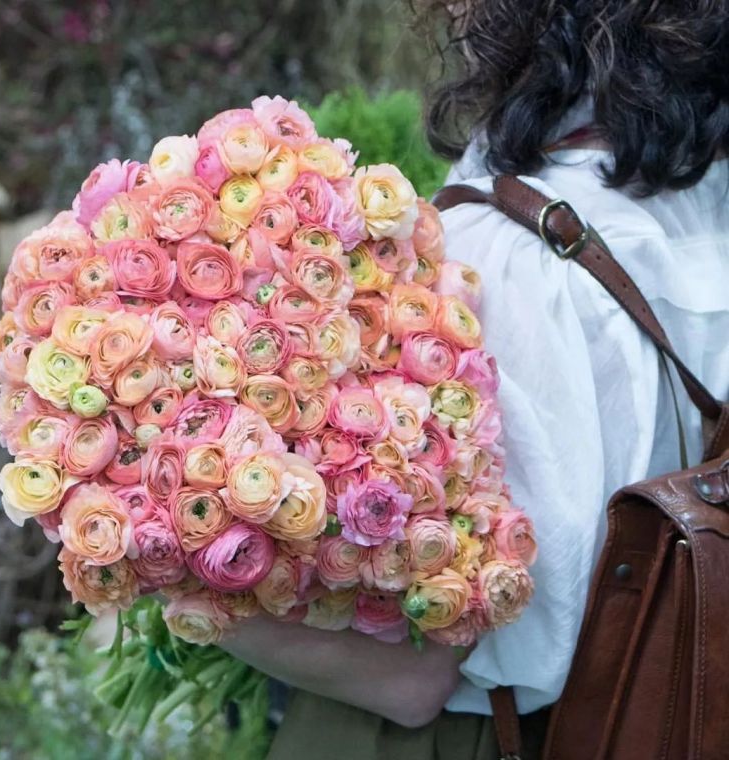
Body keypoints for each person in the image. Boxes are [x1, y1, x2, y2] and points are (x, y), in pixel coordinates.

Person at [220, 2, 729, 758]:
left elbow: (412, 677)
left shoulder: (511, 262)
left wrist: (179, 567)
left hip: (492, 736)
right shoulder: (706, 203)